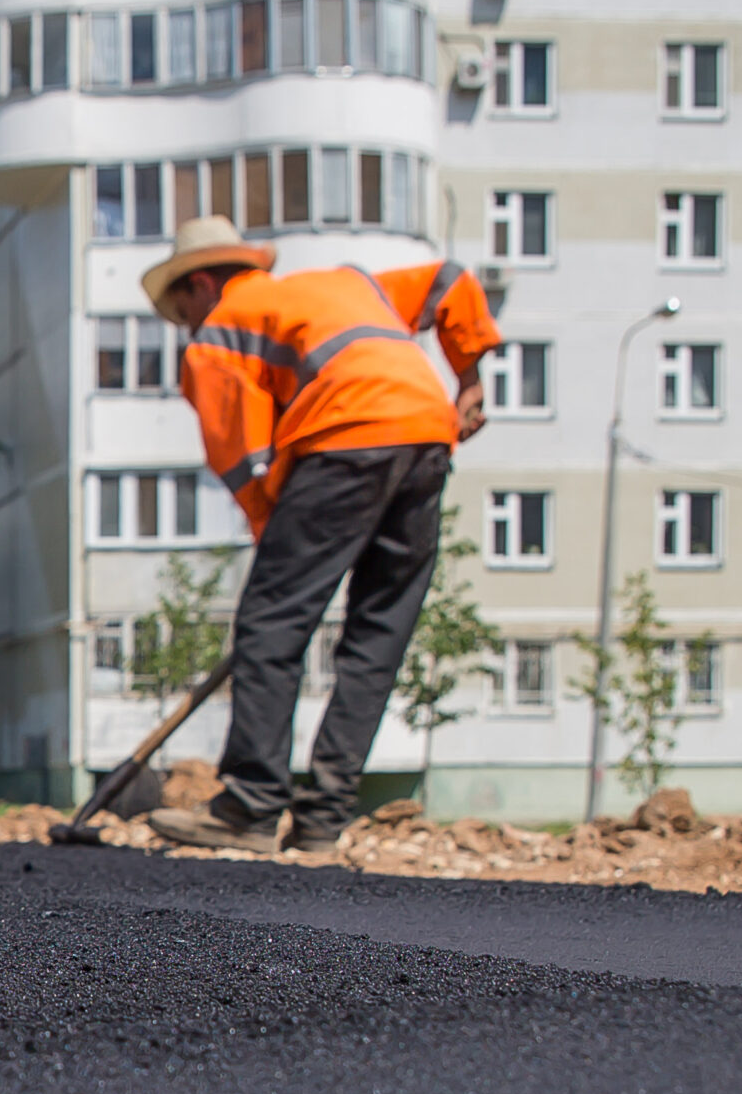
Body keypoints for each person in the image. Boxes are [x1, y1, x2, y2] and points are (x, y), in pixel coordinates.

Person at [144, 217, 500, 858]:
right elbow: (452, 283)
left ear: (201, 282)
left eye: (182, 309)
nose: (186, 325)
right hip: (426, 434)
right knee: (377, 632)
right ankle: (321, 822)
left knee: (271, 627)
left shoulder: (217, 336)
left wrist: (279, 566)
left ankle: (249, 806)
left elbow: (247, 467)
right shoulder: (349, 285)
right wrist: (468, 375)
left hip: (343, 438)